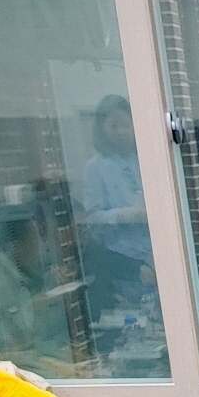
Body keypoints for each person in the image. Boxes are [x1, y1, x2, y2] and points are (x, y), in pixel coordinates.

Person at [79, 94, 152, 312]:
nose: (121, 132)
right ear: (101, 129)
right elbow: (92, 220)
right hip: (123, 266)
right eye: (114, 126)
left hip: (154, 256)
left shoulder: (146, 159)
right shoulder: (95, 167)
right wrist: (127, 215)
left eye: (125, 125)